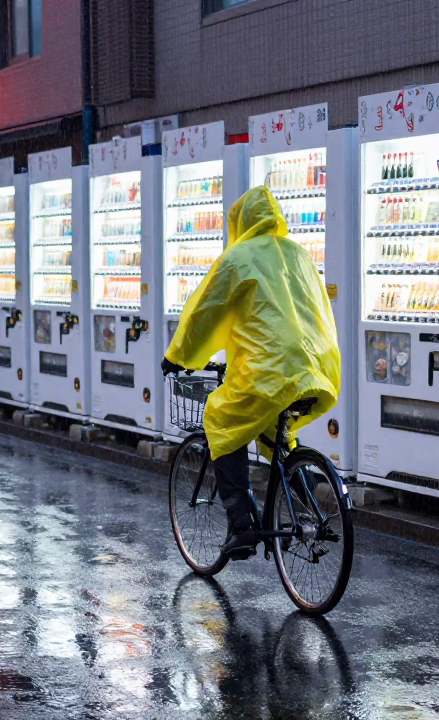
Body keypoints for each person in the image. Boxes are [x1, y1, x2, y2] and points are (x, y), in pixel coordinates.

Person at [162, 185, 340, 559]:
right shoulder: (300, 255)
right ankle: (306, 508)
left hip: (267, 370)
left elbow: (204, 312)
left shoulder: (238, 257)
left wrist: (179, 356)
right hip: (315, 365)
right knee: (277, 434)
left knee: (221, 418)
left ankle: (242, 525)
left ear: (240, 222)